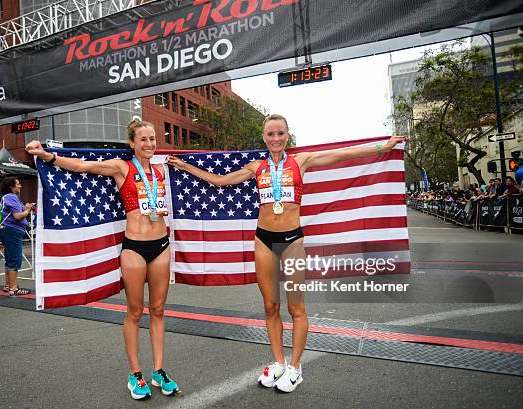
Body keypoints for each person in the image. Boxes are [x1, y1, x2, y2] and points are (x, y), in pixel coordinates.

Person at [167, 114, 405, 393]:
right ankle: (278, 362)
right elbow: (220, 181)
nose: (276, 138)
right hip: (263, 239)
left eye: (280, 133)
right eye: (271, 134)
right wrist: (184, 166)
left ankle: (295, 367)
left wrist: (383, 148)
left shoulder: (301, 161)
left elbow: (341, 155)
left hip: (292, 240)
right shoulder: (257, 167)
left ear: (287, 135)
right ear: (264, 137)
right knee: (271, 306)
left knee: (296, 308)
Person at [25, 119, 179, 400]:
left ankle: (159, 370)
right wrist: (48, 156)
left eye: (153, 138)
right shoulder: (123, 167)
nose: (149, 144)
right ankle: (136, 375)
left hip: (162, 246)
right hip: (134, 248)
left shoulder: (159, 171)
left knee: (157, 309)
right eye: (143, 139)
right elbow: (84, 166)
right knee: (135, 312)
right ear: (132, 143)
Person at [0, 177, 33, 296]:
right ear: (11, 187)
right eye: (18, 184)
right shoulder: (11, 197)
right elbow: (18, 216)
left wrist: (24, 208)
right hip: (12, 231)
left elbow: (13, 213)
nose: (20, 186)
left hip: (8, 230)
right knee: (14, 259)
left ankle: (8, 285)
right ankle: (14, 289)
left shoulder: (7, 198)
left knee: (9, 258)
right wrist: (27, 210)